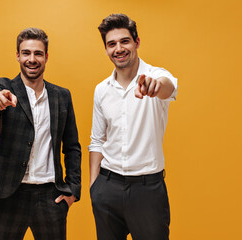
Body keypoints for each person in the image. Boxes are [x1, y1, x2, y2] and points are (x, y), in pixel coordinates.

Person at [0, 27, 81, 240]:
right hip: (10, 195)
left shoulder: (62, 96)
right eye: (26, 53)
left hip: (51, 196)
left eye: (38, 53)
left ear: (46, 57)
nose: (31, 59)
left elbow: (72, 147)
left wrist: (72, 190)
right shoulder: (5, 87)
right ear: (17, 55)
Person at [88, 14, 178, 240]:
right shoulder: (101, 90)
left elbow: (168, 87)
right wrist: (94, 187)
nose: (118, 48)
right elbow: (97, 140)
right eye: (111, 44)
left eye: (124, 41)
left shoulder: (157, 76)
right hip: (107, 187)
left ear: (136, 42)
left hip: (147, 190)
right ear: (106, 49)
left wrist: (154, 87)